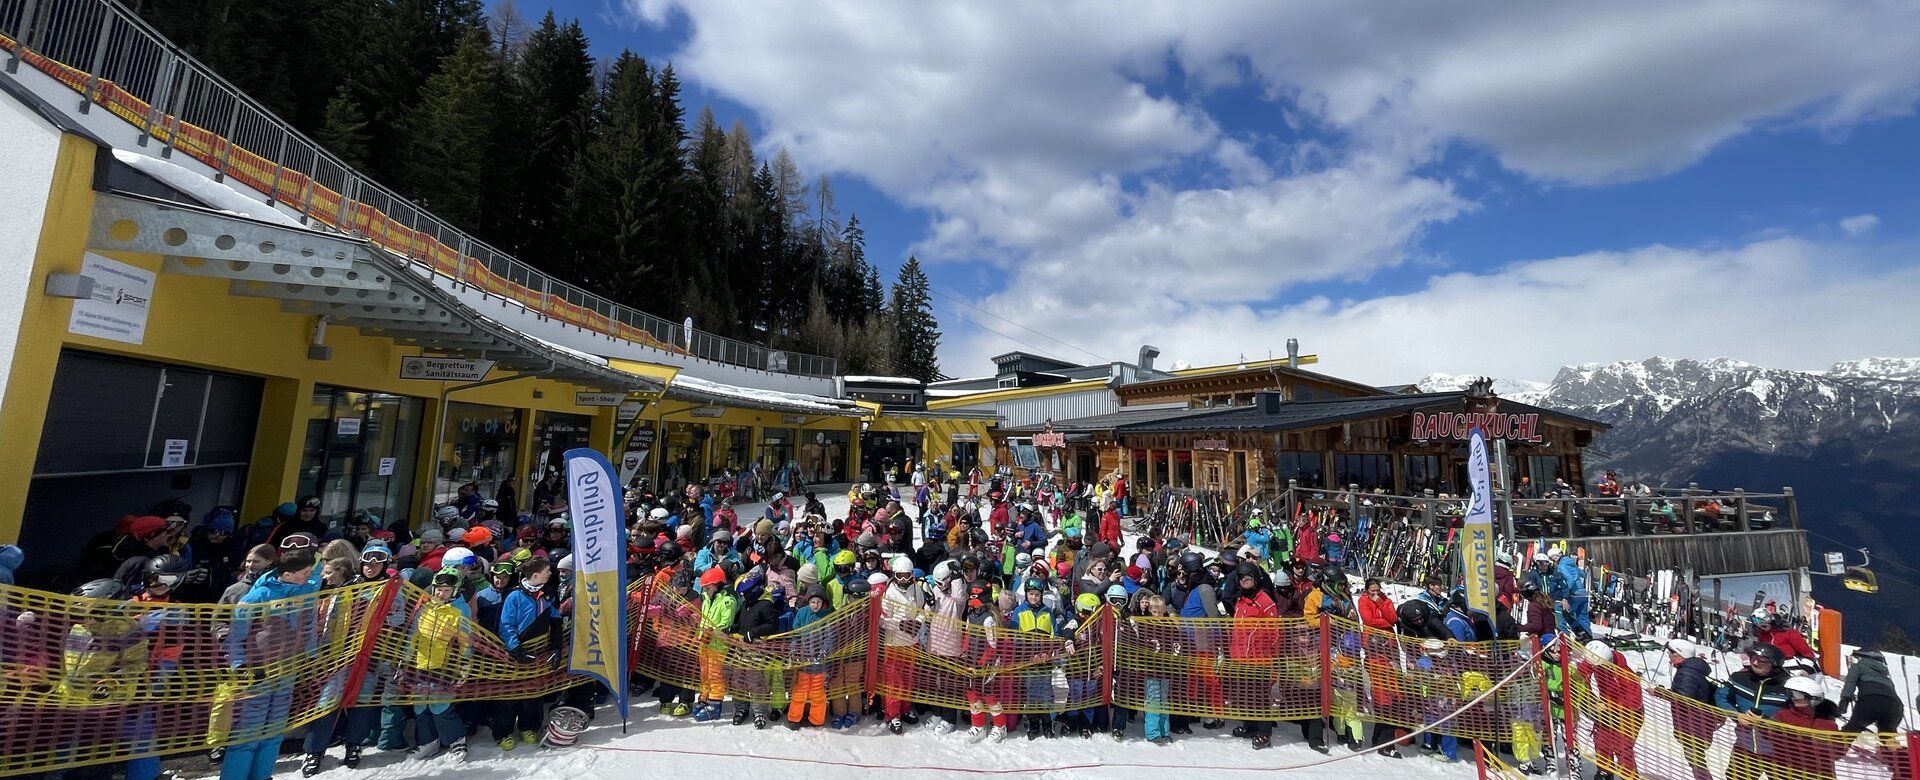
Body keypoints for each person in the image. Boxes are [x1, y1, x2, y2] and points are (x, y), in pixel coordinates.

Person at [220, 547, 320, 780]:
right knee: (248, 733)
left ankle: (262, 775)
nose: (309, 576)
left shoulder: (305, 595)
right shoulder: (258, 596)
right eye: (305, 572)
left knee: (274, 731)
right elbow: (236, 635)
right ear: (287, 574)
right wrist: (241, 665)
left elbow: (309, 631)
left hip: (287, 672)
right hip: (258, 672)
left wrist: (311, 659)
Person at [404, 569, 474, 760]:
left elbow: (466, 641)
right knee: (420, 705)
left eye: (445, 590)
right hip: (421, 663)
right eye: (437, 589)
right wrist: (405, 658)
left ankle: (457, 741)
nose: (439, 593)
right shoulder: (425, 608)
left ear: (454, 590)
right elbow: (413, 635)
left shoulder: (460, 610)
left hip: (445, 664)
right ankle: (428, 741)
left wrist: (464, 665)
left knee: (440, 706)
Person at [494, 558, 556, 749]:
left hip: (538, 652)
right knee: (510, 695)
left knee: (533, 692)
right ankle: (503, 732)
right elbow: (506, 625)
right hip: (515, 653)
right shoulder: (515, 596)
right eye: (547, 571)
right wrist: (516, 650)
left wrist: (556, 645)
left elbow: (555, 618)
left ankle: (528, 727)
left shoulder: (547, 593)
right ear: (535, 575)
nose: (550, 574)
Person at [1719, 642, 1794, 780]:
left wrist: (1767, 722)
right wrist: (1737, 716)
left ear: (1774, 663)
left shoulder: (1789, 686)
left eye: (1761, 659)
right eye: (1753, 657)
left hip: (1779, 752)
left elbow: (1798, 716)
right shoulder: (1739, 678)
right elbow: (1722, 697)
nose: (1755, 662)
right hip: (1745, 748)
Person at [1228, 562, 1282, 750]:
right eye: (1241, 578)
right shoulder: (1241, 600)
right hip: (1240, 657)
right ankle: (1249, 726)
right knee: (1244, 695)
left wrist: (1271, 659)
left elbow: (1274, 632)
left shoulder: (1265, 602)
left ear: (1256, 579)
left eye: (1248, 578)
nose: (1244, 581)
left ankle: (1264, 733)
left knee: (1259, 697)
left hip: (1259, 659)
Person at [1582, 639, 1642, 780]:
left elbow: (1634, 702)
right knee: (1602, 742)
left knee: (1622, 747)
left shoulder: (1625, 675)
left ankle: (1629, 776)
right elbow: (1583, 671)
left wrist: (1611, 709)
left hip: (1629, 715)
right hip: (1606, 710)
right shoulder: (1596, 659)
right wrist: (1589, 697)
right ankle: (1605, 772)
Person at [878, 556, 925, 734]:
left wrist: (918, 623)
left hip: (911, 642)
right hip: (894, 643)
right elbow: (883, 619)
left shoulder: (916, 589)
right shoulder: (889, 592)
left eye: (907, 575)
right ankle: (893, 715)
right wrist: (900, 624)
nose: (904, 580)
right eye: (900, 576)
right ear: (894, 575)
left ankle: (905, 709)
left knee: (908, 678)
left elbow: (921, 610)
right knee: (894, 681)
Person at [692, 566, 737, 721]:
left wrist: (711, 632)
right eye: (704, 588)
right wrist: (699, 635)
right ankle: (704, 697)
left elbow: (725, 624)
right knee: (704, 673)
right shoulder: (706, 601)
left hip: (717, 645)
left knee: (715, 674)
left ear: (717, 585)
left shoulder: (727, 601)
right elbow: (703, 620)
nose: (705, 590)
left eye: (708, 587)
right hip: (703, 644)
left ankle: (715, 703)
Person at [1838, 647, 1902, 734]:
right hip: (1894, 706)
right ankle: (1893, 747)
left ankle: (1837, 746)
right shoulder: (1884, 675)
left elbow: (1850, 683)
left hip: (1870, 701)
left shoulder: (1858, 666)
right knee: (1887, 734)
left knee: (1851, 730)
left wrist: (1844, 701)